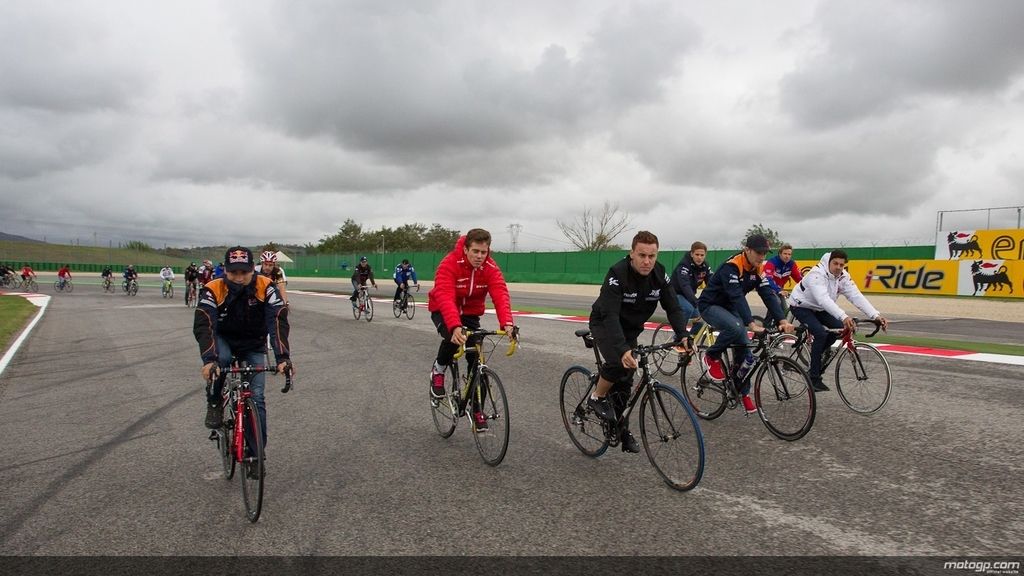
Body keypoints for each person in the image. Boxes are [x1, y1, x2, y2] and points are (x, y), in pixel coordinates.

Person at [587, 230, 692, 453]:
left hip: (630, 328)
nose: (647, 261)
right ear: (632, 254)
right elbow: (611, 316)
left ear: (657, 255)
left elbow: (673, 307)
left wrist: (682, 334)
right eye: (642, 255)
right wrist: (623, 349)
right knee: (617, 362)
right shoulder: (617, 273)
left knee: (626, 381)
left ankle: (620, 427)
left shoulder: (660, 273)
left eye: (651, 256)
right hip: (605, 323)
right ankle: (597, 396)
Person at [193, 246, 292, 474]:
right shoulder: (212, 288)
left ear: (252, 270)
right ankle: (215, 400)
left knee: (257, 398)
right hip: (224, 339)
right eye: (233, 273)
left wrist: (283, 357)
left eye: (244, 273)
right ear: (225, 271)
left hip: (253, 343)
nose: (239, 278)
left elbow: (277, 320)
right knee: (223, 360)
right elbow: (204, 323)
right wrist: (209, 359)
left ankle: (256, 454)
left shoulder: (265, 286)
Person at [427, 229, 516, 432]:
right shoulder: (449, 264)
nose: (479, 256)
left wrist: (508, 324)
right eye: (475, 251)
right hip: (443, 308)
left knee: (478, 364)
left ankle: (477, 411)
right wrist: (455, 325)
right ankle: (438, 369)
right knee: (454, 337)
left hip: (469, 314)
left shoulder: (490, 267)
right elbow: (445, 296)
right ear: (466, 248)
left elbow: (500, 293)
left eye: (483, 252)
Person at [697, 234, 794, 413]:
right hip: (710, 305)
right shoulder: (733, 266)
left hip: (731, 307)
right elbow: (736, 296)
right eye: (758, 252)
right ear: (747, 250)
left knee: (745, 352)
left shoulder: (758, 269)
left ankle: (742, 392)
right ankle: (711, 356)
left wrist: (782, 320)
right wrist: (750, 323)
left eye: (765, 253)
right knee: (736, 327)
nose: (762, 257)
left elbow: (767, 295)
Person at [787, 250, 888, 392]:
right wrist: (844, 316)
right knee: (821, 334)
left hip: (820, 309)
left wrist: (875, 316)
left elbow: (856, 296)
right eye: (835, 263)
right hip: (801, 306)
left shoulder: (843, 276)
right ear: (829, 262)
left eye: (842, 264)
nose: (839, 267)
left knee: (841, 330)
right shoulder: (817, 274)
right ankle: (813, 378)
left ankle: (815, 355)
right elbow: (823, 299)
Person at [670, 241, 711, 336]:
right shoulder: (684, 265)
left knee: (701, 319)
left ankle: (690, 342)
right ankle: (679, 338)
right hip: (675, 293)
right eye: (697, 254)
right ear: (692, 254)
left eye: (702, 255)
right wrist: (695, 302)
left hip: (688, 296)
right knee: (688, 308)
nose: (699, 257)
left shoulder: (705, 265)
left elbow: (712, 282)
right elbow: (685, 285)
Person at [763, 243, 803, 325]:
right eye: (785, 253)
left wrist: (808, 288)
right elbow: (768, 278)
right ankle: (767, 326)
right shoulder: (772, 262)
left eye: (789, 254)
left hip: (779, 290)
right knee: (776, 302)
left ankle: (778, 329)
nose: (787, 256)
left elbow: (799, 279)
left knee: (784, 311)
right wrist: (778, 290)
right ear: (780, 254)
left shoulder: (791, 264)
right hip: (767, 287)